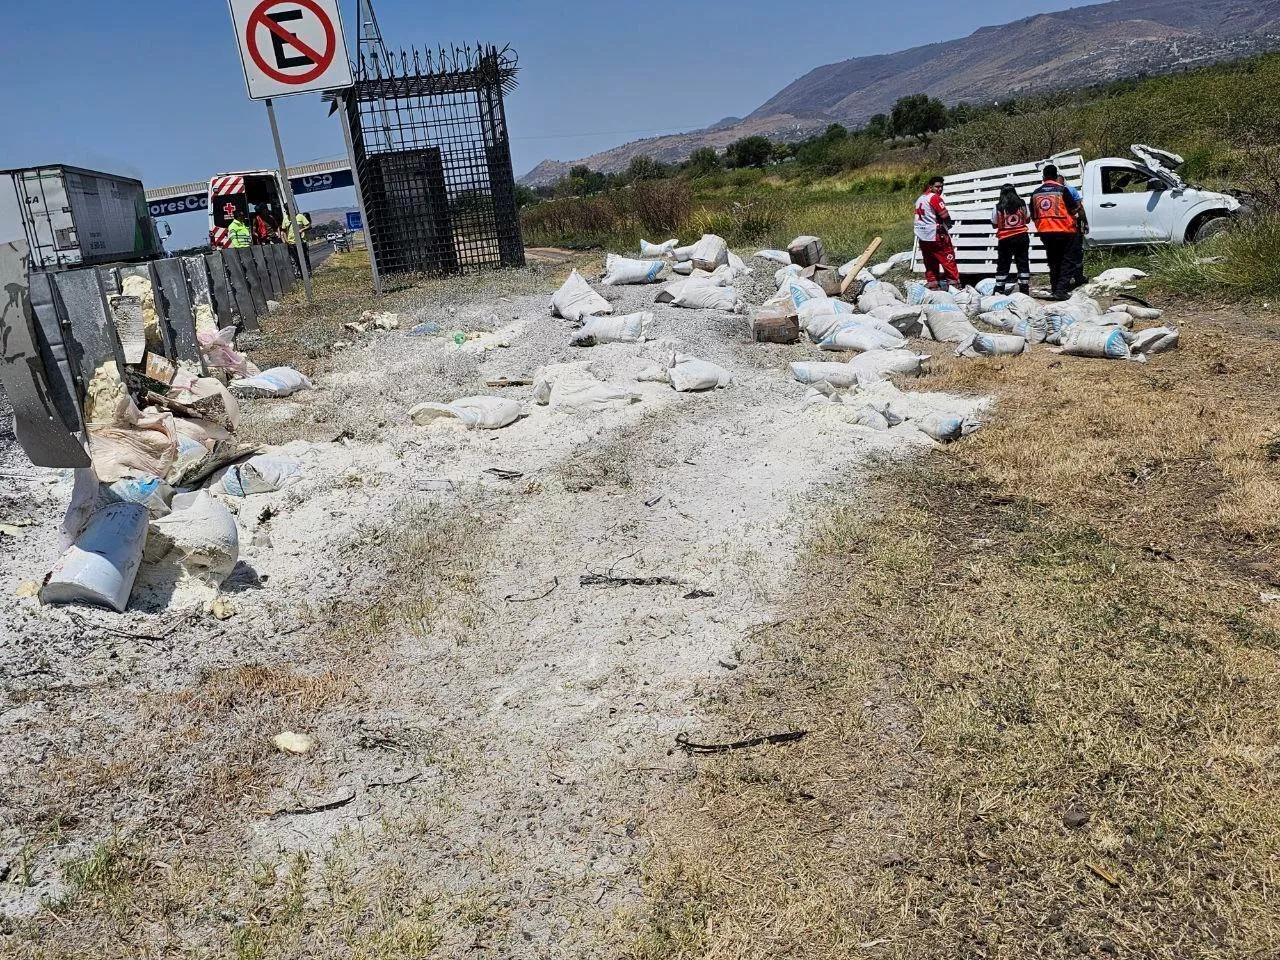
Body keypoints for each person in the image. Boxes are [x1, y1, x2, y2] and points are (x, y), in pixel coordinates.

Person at [1030, 164, 1086, 300]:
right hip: (1065, 230)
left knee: (1054, 261)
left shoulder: (1035, 193)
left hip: (1045, 232)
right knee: (1067, 260)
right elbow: (1074, 210)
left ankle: (1055, 288)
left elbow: (1032, 213)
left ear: (1043, 177)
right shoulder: (1063, 190)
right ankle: (1061, 291)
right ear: (1056, 177)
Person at [914, 176, 961, 291]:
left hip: (923, 236)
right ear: (931, 187)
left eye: (941, 187)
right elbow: (944, 216)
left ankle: (933, 285)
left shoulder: (920, 199)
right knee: (948, 258)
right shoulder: (935, 198)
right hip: (936, 235)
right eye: (937, 187)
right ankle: (954, 285)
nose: (940, 189)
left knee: (930, 261)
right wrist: (949, 225)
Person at [991, 184, 1031, 295]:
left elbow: (994, 224)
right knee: (1022, 262)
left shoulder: (998, 207)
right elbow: (1028, 219)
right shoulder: (1022, 204)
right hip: (1022, 237)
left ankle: (999, 288)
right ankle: (1024, 288)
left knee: (1003, 264)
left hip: (1005, 239)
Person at [283, 209, 313, 276]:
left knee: (305, 258)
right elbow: (284, 231)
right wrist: (286, 241)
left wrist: (302, 230)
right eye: (286, 210)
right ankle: (301, 274)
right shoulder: (285, 218)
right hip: (291, 242)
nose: (288, 212)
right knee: (296, 260)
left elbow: (309, 226)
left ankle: (308, 273)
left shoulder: (300, 216)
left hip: (301, 241)